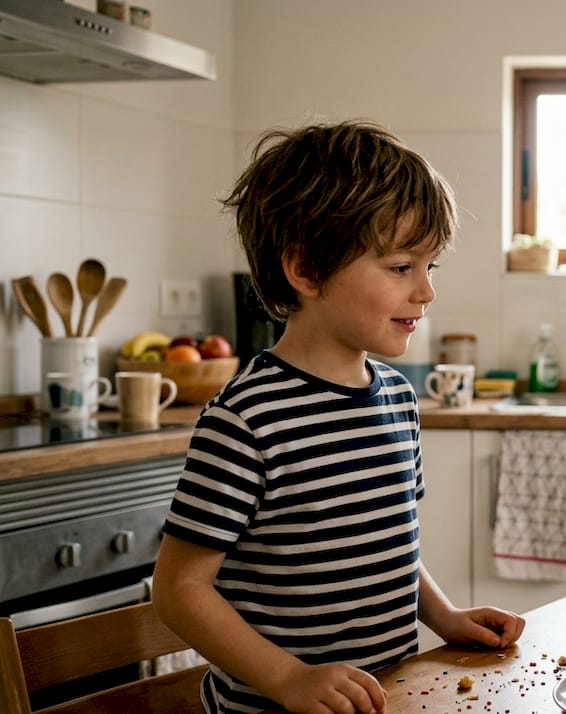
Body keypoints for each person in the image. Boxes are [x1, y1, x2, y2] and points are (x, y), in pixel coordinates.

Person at [152, 120, 526, 714]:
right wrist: (289, 678)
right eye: (402, 267)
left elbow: (388, 545)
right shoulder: (248, 419)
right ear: (305, 271)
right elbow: (178, 591)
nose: (426, 292)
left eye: (431, 268)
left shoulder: (398, 399)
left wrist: (444, 615)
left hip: (387, 699)